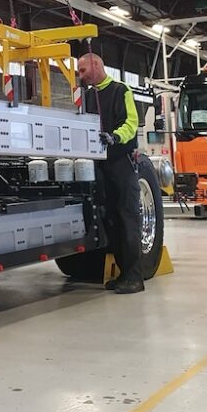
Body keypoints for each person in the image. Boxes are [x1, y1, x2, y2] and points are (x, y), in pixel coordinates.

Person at [76, 52, 145, 295]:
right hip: (100, 165)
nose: (81, 76)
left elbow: (131, 123)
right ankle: (123, 274)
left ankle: (135, 277)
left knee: (128, 219)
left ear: (96, 65)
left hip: (120, 162)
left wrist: (114, 137)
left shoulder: (120, 90)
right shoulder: (84, 96)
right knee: (111, 220)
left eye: (83, 71)